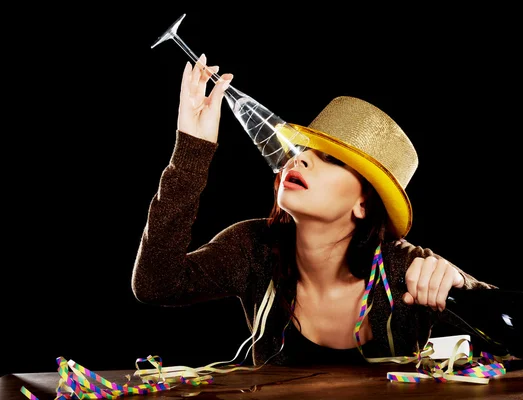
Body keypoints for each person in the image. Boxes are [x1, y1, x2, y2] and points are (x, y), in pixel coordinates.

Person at [131, 54, 497, 368]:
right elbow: (156, 284)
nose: (300, 159)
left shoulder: (405, 270)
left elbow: (522, 339)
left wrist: (462, 287)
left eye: (330, 160)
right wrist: (191, 151)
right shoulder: (251, 247)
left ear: (364, 203)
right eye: (302, 150)